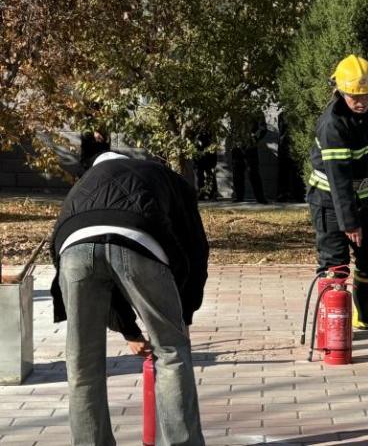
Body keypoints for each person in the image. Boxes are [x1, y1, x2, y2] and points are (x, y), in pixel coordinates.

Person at [50, 152, 208, 446]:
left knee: (82, 362)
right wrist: (182, 314)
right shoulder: (163, 176)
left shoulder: (83, 183)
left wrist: (129, 330)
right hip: (139, 241)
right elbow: (195, 248)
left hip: (73, 251)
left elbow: (92, 251)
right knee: (171, 352)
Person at [307, 55, 368, 331]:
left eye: (366, 94)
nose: (361, 101)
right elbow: (338, 180)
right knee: (335, 263)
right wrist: (349, 222)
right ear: (340, 91)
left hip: (365, 195)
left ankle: (366, 315)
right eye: (353, 96)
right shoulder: (333, 124)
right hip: (329, 199)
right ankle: (331, 329)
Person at [230, 111, 268, 204]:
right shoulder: (234, 111)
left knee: (253, 172)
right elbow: (232, 128)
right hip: (237, 147)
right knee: (237, 172)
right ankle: (239, 197)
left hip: (250, 147)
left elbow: (263, 129)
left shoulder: (256, 111)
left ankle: (260, 198)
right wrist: (235, 139)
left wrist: (253, 139)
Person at [194, 129, 219, 201]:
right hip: (201, 163)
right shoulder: (198, 143)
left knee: (210, 178)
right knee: (201, 179)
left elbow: (213, 154)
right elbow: (195, 154)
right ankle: (202, 194)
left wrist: (213, 165)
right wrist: (196, 163)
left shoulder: (209, 143)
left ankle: (212, 194)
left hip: (208, 162)